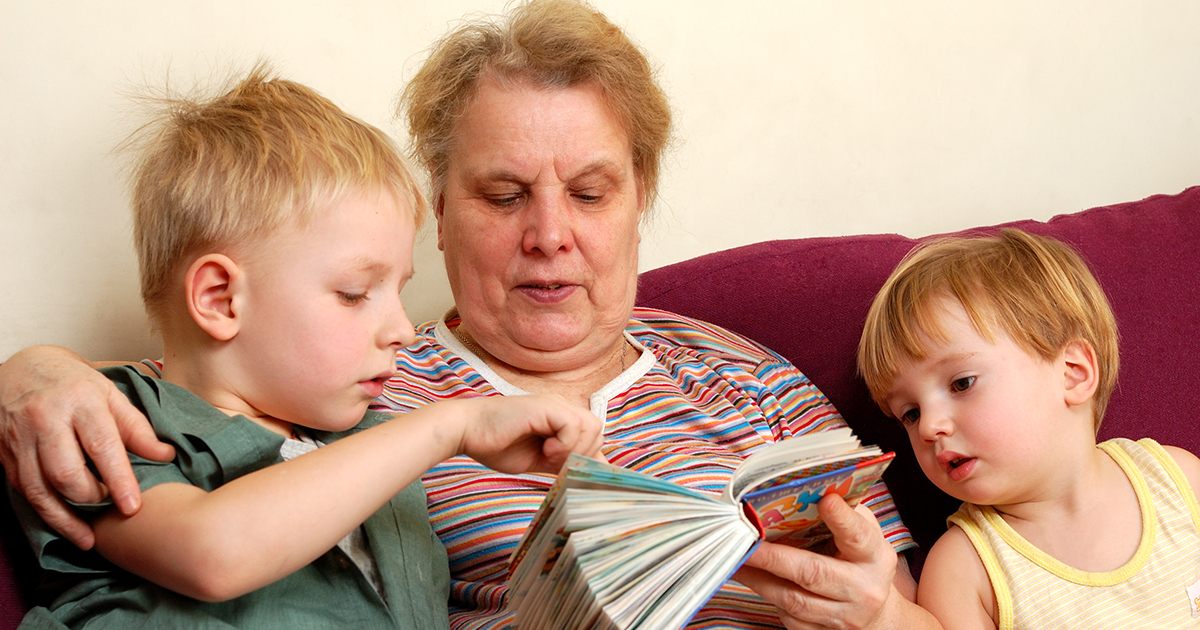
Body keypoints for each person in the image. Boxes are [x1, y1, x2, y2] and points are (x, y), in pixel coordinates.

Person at [0, 1, 939, 627]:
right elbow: (192, 412)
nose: (549, 235)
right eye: (502, 195)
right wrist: (30, 370)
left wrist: (882, 615)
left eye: (590, 192)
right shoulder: (351, 391)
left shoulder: (742, 372)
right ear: (438, 208)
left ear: (639, 198)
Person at [7, 65, 602, 628]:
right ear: (220, 299)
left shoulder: (373, 445)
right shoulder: (116, 422)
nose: (400, 327)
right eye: (353, 293)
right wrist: (447, 428)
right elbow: (213, 553)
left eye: (398, 291)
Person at [857, 228, 1200, 627]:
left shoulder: (1177, 479)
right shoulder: (964, 571)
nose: (930, 427)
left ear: (1072, 374)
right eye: (910, 413)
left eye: (962, 383)